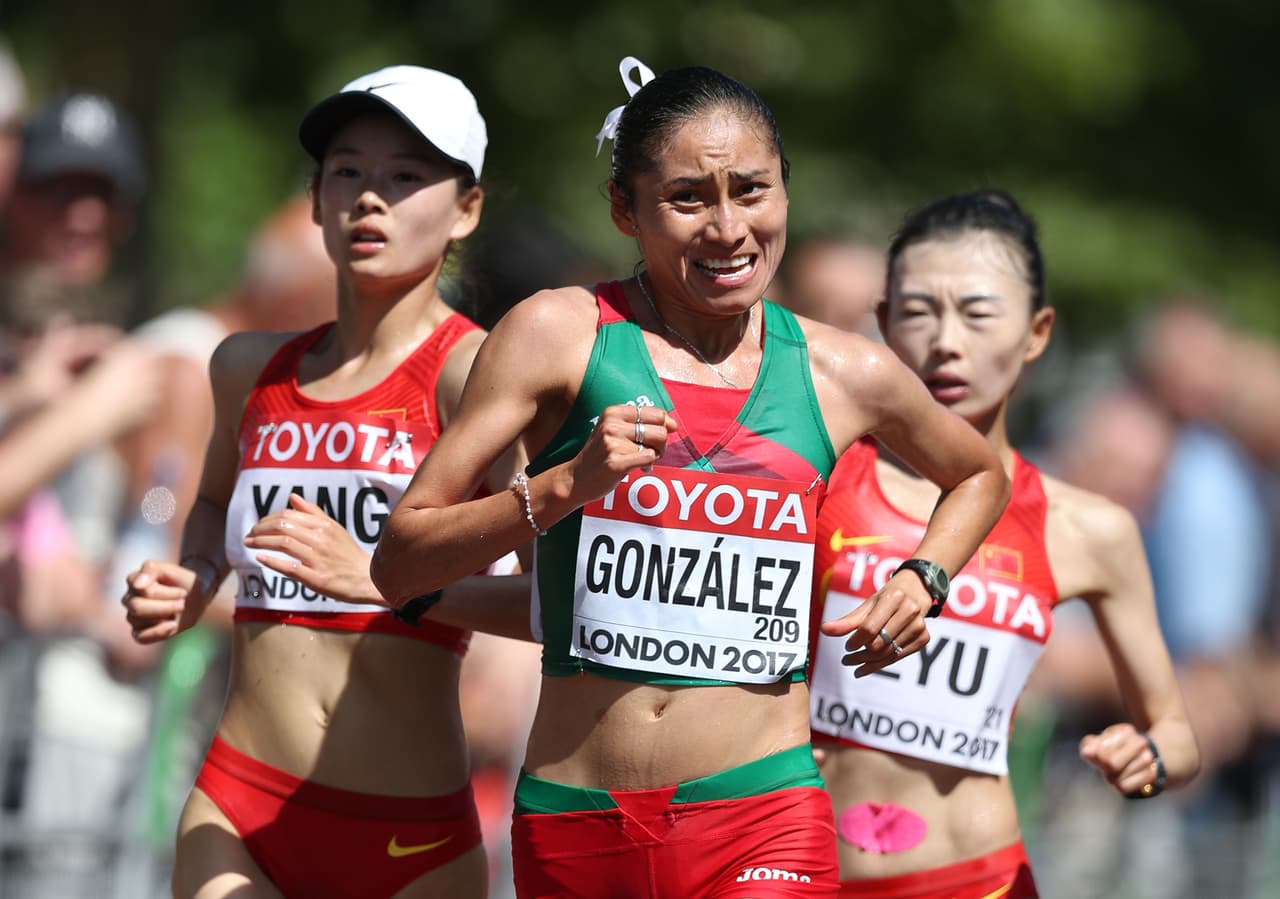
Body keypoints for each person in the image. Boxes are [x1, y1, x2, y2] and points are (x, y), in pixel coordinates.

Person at [368, 57, 1009, 898]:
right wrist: (565, 486)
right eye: (687, 199)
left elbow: (978, 474)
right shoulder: (556, 334)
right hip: (574, 813)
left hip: (761, 810)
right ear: (623, 209)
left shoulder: (844, 370)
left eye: (752, 190)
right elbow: (401, 560)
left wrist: (926, 577)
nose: (727, 228)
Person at [121, 64, 525, 898]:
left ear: (467, 209)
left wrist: (390, 584)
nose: (369, 198)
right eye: (347, 171)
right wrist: (197, 575)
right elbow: (204, 504)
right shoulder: (246, 369)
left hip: (410, 839)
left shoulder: (477, 376)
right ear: (314, 201)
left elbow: (557, 601)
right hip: (238, 806)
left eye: (405, 176)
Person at [806, 189, 1201, 898]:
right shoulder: (814, 476)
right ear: (885, 322)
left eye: (978, 313)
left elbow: (1176, 731)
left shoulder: (1089, 527)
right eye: (920, 311)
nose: (946, 341)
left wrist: (1147, 757)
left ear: (1037, 332)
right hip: (802, 870)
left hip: (980, 879)